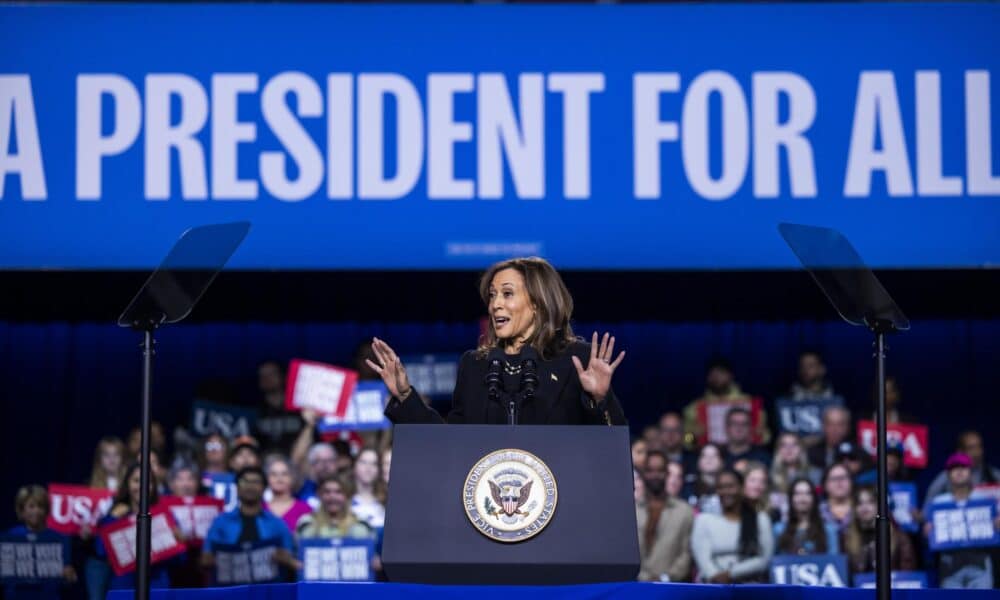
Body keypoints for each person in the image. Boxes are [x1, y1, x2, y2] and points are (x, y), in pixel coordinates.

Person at [369, 257, 627, 425]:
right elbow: (449, 444)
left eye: (507, 294)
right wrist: (405, 395)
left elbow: (608, 450)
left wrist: (600, 400)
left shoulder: (576, 360)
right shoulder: (476, 364)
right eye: (492, 296)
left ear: (537, 303)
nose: (495, 305)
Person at [96, 462, 179, 591]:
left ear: (154, 486)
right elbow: (101, 551)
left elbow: (180, 560)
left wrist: (177, 540)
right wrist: (113, 518)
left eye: (148, 481)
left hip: (157, 586)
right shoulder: (115, 514)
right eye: (136, 481)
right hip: (124, 587)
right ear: (127, 484)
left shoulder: (164, 515)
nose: (142, 486)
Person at [202, 466, 299, 574]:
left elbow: (291, 559)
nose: (250, 486)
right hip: (230, 588)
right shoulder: (221, 522)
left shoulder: (277, 524)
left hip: (267, 589)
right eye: (245, 482)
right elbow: (206, 558)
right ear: (237, 488)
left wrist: (285, 558)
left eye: (256, 482)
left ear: (264, 489)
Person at [923, 452, 1000, 589]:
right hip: (950, 565)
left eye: (963, 468)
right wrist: (928, 531)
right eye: (954, 468)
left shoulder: (984, 500)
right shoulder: (939, 503)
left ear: (971, 473)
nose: (959, 471)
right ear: (948, 474)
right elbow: (929, 534)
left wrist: (996, 525)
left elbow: (995, 528)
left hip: (979, 563)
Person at [690, 469, 774, 583]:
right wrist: (716, 577)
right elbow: (703, 559)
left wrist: (731, 574)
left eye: (730, 486)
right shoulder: (704, 520)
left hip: (750, 587)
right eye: (720, 487)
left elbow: (765, 559)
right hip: (712, 586)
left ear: (741, 488)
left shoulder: (760, 519)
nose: (725, 492)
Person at [5, 485, 77, 600]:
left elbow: (67, 581)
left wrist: (69, 576)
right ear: (22, 510)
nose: (36, 511)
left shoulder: (59, 538)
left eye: (41, 506)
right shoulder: (11, 537)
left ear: (46, 510)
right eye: (31, 506)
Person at [683, 357, 769, 448]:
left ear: (730, 375)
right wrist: (693, 436)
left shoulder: (750, 403)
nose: (716, 378)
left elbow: (766, 437)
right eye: (712, 374)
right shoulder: (695, 408)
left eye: (721, 373)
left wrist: (760, 433)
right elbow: (685, 440)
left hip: (745, 455)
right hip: (710, 457)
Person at [635, 451, 694, 582]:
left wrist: (665, 578)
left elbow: (687, 553)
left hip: (672, 587)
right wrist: (642, 578)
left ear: (667, 473)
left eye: (659, 471)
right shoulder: (632, 510)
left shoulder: (684, 511)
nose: (655, 475)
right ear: (644, 474)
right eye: (650, 470)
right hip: (636, 585)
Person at [842, 485, 916, 577]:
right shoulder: (847, 539)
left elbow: (908, 577)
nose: (864, 507)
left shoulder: (900, 538)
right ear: (854, 509)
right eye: (859, 503)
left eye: (870, 502)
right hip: (858, 590)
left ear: (879, 506)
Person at [923, 430, 1000, 512]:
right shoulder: (946, 476)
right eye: (971, 448)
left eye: (979, 447)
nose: (976, 453)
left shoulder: (993, 475)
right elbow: (928, 508)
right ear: (960, 451)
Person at [773, 478, 839, 555]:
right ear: (791, 499)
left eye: (808, 493)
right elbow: (773, 561)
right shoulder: (779, 529)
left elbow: (834, 562)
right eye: (797, 493)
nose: (802, 498)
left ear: (814, 499)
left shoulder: (829, 530)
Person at [769, 433, 822, 521]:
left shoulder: (815, 474)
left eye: (794, 445)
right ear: (778, 450)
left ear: (801, 449)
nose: (789, 449)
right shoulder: (769, 476)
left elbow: (819, 501)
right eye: (784, 445)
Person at [254, 360, 303, 453]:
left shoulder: (299, 408)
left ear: (283, 377)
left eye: (272, 374)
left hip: (296, 461)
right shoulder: (254, 411)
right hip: (265, 463)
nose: (267, 378)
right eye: (262, 375)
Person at [263, 455, 312, 533]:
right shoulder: (260, 508)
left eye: (284, 474)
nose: (279, 478)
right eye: (274, 474)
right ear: (267, 478)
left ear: (292, 478)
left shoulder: (304, 509)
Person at [351, 447, 387, 529]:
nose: (368, 468)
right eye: (363, 462)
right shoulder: (342, 498)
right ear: (354, 466)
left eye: (374, 464)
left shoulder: (386, 500)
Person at [807, 406, 852, 470]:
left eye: (839, 424)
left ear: (847, 427)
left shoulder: (856, 454)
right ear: (823, 426)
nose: (835, 429)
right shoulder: (811, 453)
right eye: (830, 424)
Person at [689, 443, 725, 513]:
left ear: (722, 462)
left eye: (714, 456)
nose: (709, 459)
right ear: (698, 462)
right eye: (704, 456)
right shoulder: (688, 486)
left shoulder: (727, 487)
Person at [819, 463, 854, 533]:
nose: (839, 482)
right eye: (834, 479)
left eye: (843, 477)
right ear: (825, 485)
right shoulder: (818, 512)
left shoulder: (860, 507)